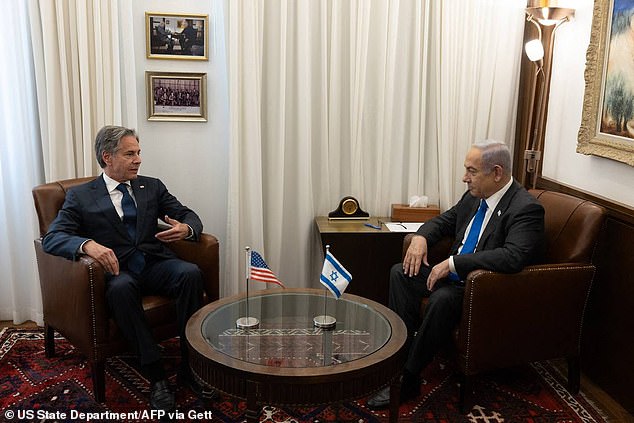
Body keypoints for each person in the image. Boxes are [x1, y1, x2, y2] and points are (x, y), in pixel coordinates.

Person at [42, 125, 212, 412]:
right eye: (130, 154)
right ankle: (156, 375)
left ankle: (190, 365)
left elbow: (186, 214)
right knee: (121, 288)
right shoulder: (81, 196)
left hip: (153, 263)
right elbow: (53, 237)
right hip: (116, 271)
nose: (138, 159)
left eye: (139, 152)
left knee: (190, 273)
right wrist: (87, 245)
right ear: (107, 157)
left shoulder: (151, 186)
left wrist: (187, 227)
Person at [367, 140, 545, 409]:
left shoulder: (525, 208)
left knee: (442, 300)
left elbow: (513, 256)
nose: (465, 178)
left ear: (496, 173)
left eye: (472, 171)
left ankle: (409, 379)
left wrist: (452, 264)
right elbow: (444, 221)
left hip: (481, 289)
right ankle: (398, 359)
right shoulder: (474, 197)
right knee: (400, 274)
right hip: (452, 278)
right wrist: (420, 238)